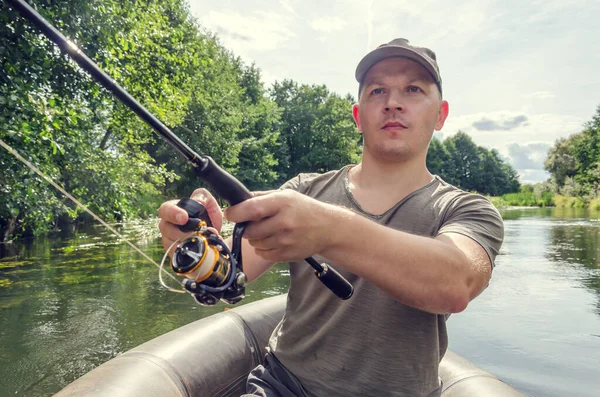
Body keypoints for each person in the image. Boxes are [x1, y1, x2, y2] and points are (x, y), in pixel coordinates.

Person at [158, 38, 504, 397]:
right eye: (377, 91)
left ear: (441, 115)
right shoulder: (302, 191)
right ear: (358, 117)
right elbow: (234, 267)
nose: (393, 103)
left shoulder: (469, 210)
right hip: (282, 387)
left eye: (413, 89)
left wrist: (328, 230)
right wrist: (194, 241)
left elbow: (455, 285)